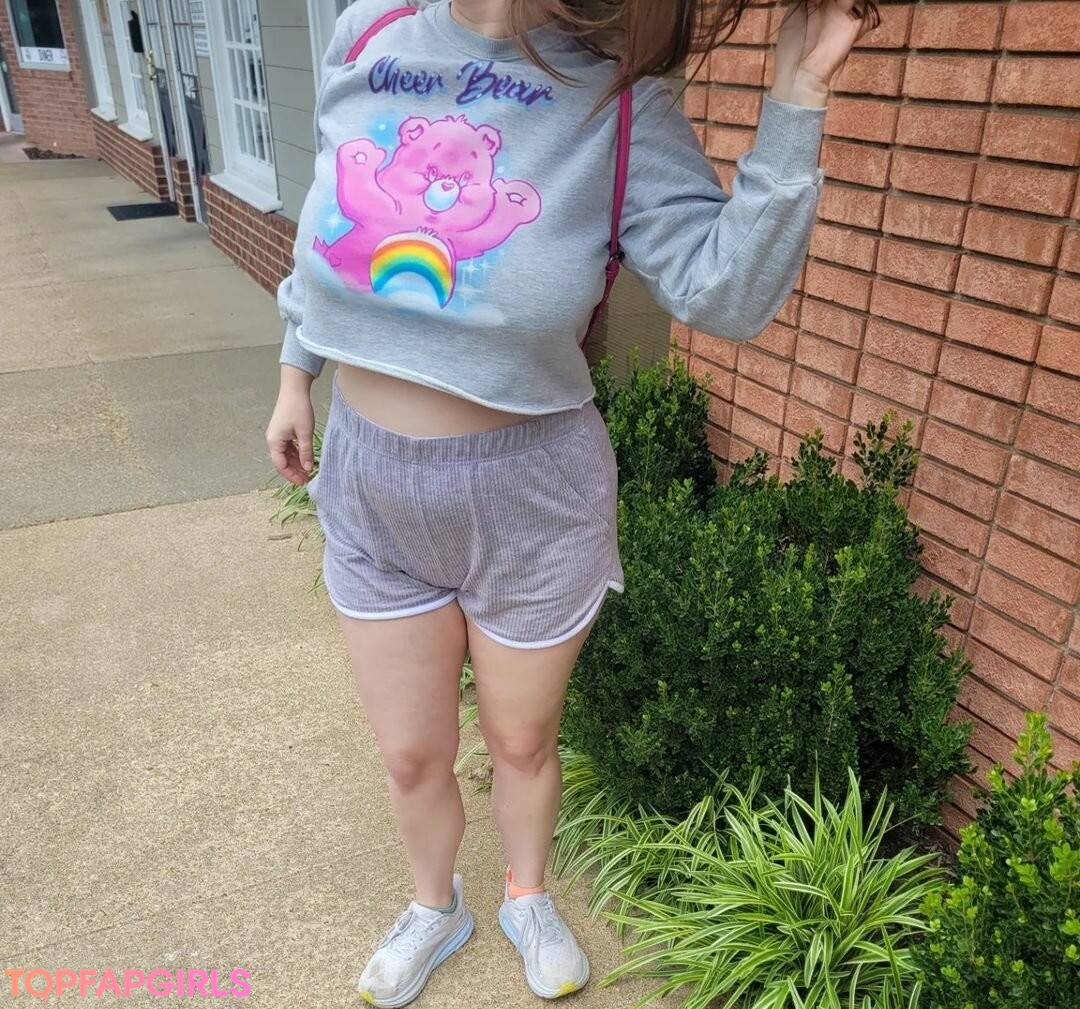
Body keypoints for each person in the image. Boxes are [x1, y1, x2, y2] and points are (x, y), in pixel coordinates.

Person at [267, 0, 873, 1004]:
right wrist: (296, 373)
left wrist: (797, 97)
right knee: (411, 753)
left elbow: (724, 294)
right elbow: (324, 213)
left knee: (520, 740)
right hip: (372, 479)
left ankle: (526, 893)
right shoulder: (371, 30)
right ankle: (434, 906)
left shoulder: (619, 98)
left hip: (531, 492)